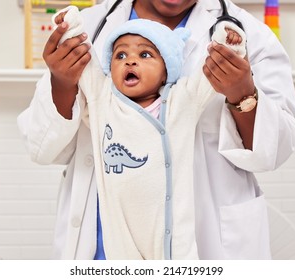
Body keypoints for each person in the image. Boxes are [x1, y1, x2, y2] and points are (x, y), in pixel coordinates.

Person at [17, 0, 295, 260]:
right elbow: (40, 145)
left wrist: (242, 93)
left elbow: (274, 150)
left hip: (205, 245)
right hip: (102, 248)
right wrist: (62, 83)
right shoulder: (90, 28)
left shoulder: (246, 34)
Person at [50, 11, 244, 259]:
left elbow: (211, 72)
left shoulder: (182, 100)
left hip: (173, 235)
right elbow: (84, 61)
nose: (130, 61)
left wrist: (228, 41)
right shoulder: (102, 99)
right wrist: (71, 27)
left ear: (166, 69)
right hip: (119, 234)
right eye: (120, 55)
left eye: (145, 54)